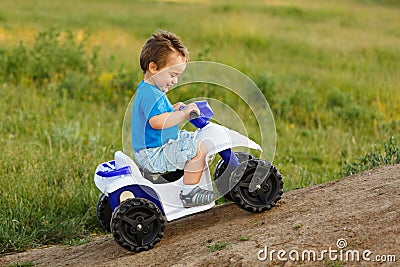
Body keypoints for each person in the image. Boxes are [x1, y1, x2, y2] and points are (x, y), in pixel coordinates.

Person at [132, 30, 217, 208]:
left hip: (157, 147)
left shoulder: (152, 89)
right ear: (153, 68)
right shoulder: (150, 93)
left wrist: (177, 108)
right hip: (153, 154)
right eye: (172, 75)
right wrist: (184, 114)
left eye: (178, 76)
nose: (175, 81)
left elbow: (162, 113)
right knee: (198, 148)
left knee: (194, 138)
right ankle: (189, 193)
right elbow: (156, 122)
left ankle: (191, 184)